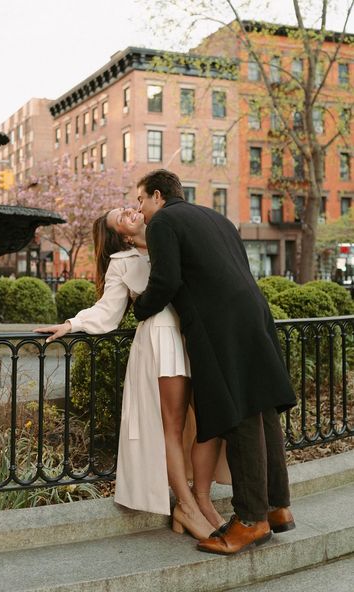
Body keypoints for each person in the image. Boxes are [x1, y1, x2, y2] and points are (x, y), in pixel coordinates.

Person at [35, 207, 230, 539]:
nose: (129, 210)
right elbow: (109, 309)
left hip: (196, 332)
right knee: (173, 425)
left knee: (210, 421)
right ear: (123, 235)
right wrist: (73, 323)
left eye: (127, 207)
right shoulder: (122, 262)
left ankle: (201, 499)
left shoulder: (168, 234)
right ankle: (185, 505)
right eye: (120, 217)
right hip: (162, 335)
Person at [132, 169, 297, 555]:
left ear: (157, 195)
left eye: (140, 200)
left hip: (219, 325)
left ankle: (250, 521)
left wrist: (139, 307)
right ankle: (277, 507)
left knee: (237, 413)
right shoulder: (216, 217)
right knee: (262, 406)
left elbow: (166, 280)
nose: (139, 211)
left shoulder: (163, 222)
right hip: (254, 312)